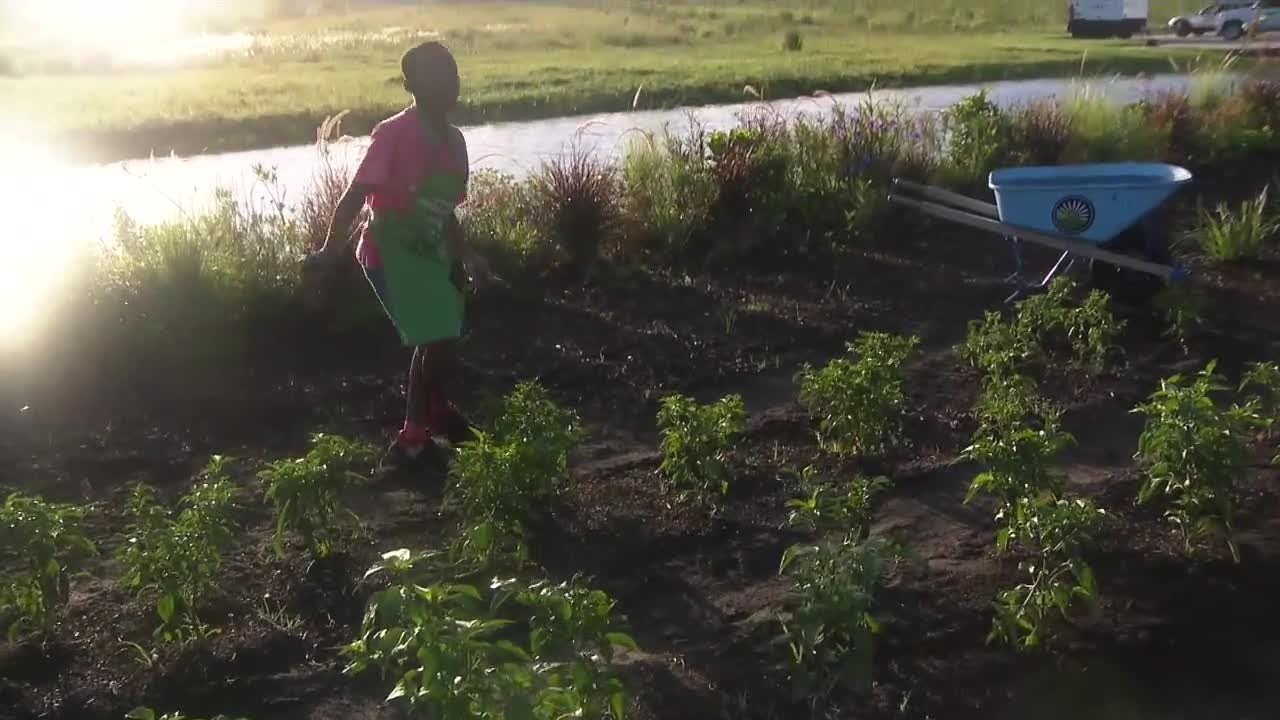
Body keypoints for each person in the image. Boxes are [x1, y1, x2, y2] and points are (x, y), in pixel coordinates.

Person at [307, 41, 491, 473]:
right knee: (436, 336)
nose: (449, 81)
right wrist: (329, 251)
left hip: (429, 255)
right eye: (437, 75)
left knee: (437, 338)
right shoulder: (392, 134)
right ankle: (428, 426)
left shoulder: (456, 144)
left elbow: (444, 214)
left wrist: (468, 256)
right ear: (414, 86)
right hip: (387, 253)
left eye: (453, 72)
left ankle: (423, 427)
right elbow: (355, 196)